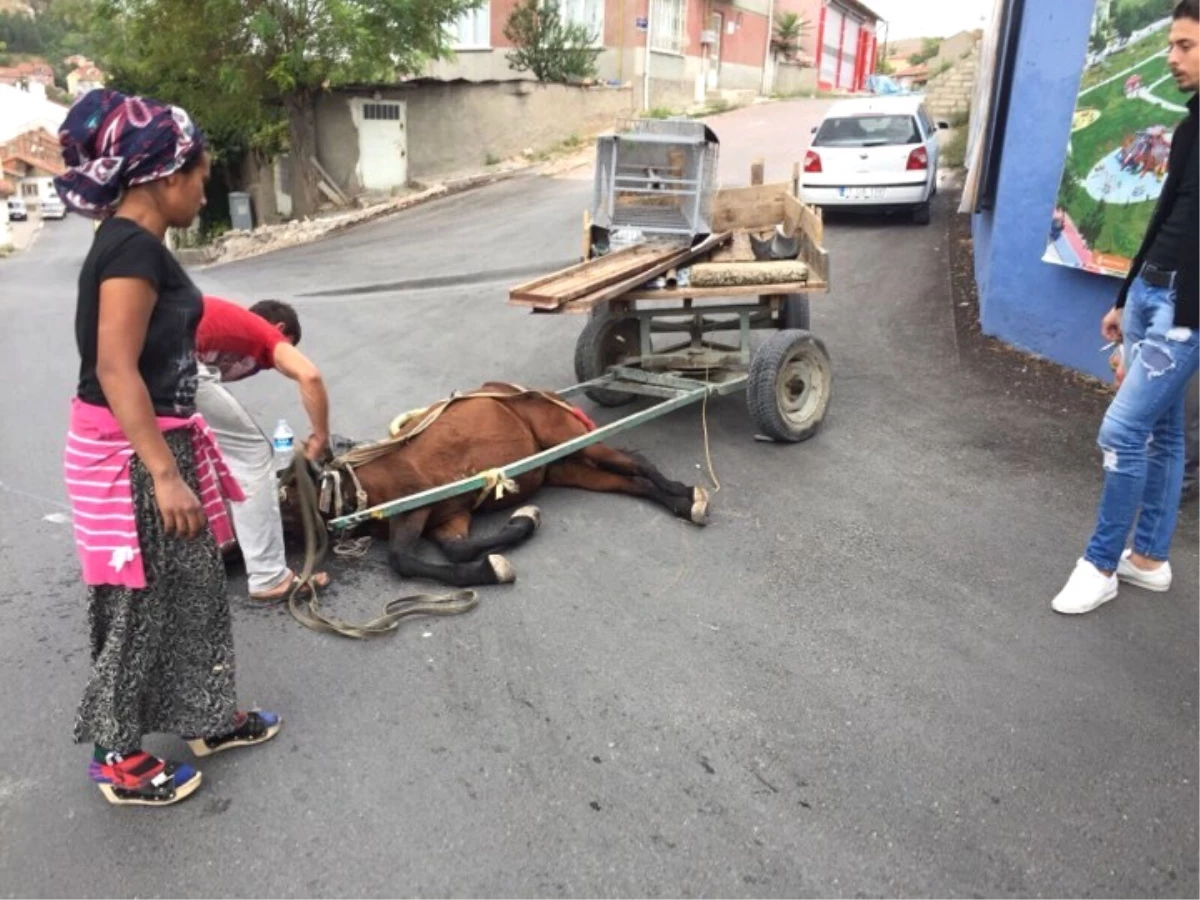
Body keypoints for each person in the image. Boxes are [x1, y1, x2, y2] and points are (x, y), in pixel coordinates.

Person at [58, 89, 281, 807]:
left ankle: (205, 717)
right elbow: (116, 366)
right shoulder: (129, 248)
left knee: (193, 593)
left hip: (159, 446)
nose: (205, 185)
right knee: (139, 604)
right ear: (162, 175)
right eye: (200, 173)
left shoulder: (138, 245)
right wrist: (162, 473)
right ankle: (115, 756)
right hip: (130, 458)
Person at [1053, 2, 1200, 614]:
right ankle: (1150, 559)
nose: (1172, 57)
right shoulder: (1191, 125)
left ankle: (1102, 563)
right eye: (1171, 44)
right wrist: (1124, 296)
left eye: (1186, 46)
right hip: (1149, 293)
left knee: (1122, 429)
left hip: (1185, 311)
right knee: (1163, 434)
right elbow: (1163, 216)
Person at [194, 294, 332, 599]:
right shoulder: (262, 331)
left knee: (185, 454)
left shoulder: (219, 326)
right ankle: (269, 576)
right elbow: (309, 375)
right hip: (168, 360)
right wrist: (320, 436)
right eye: (288, 345)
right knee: (252, 456)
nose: (271, 367)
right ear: (280, 328)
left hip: (126, 361)